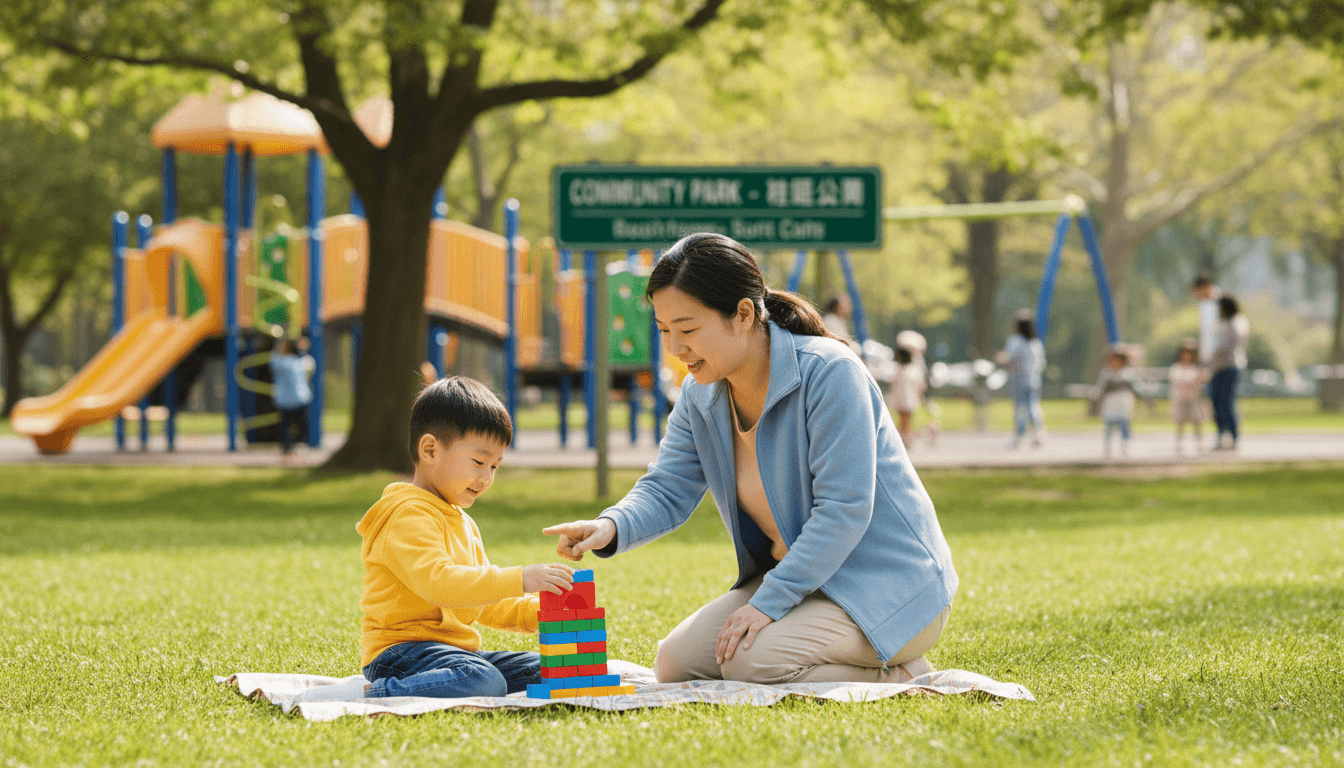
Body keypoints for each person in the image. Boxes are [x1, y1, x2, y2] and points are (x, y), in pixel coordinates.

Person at [543, 233, 957, 686]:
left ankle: (902, 675)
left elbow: (844, 510)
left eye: (687, 329)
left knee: (749, 662)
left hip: (889, 586)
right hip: (807, 583)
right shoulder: (699, 394)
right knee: (675, 664)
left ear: (742, 314)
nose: (675, 348)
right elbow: (667, 487)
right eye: (664, 330)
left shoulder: (830, 372)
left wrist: (766, 604)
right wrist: (610, 526)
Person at [294, 377, 576, 704]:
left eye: (495, 467)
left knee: (559, 668)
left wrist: (543, 613)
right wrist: (521, 579)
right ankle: (367, 694)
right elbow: (440, 584)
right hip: (401, 652)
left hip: (455, 654)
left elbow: (483, 601)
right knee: (482, 680)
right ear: (430, 450)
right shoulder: (407, 514)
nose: (486, 478)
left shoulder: (463, 521)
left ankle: (458, 680)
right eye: (479, 462)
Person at [1000, 310, 1046, 448]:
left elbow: (1010, 360)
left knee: (1020, 408)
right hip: (1034, 380)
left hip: (1019, 380)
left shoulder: (1015, 341)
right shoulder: (1036, 343)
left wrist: (1000, 359)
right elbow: (1041, 364)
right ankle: (1037, 433)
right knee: (1033, 405)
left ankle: (1019, 435)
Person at [1209, 294, 1250, 450]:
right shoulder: (1224, 323)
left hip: (1228, 367)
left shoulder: (1235, 323)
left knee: (1226, 403)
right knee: (1217, 403)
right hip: (1218, 367)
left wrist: (1209, 357)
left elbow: (1224, 347)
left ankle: (1232, 436)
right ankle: (1222, 435)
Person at [1092, 346, 1144, 459]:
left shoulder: (1128, 374)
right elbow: (1099, 389)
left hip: (1124, 405)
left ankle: (1124, 447)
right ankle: (1108, 447)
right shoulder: (1106, 374)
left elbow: (1137, 388)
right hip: (1110, 405)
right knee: (1109, 427)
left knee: (1124, 427)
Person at [268, 337, 314, 460]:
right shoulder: (299, 362)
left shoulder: (280, 362)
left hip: (287, 399)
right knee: (299, 426)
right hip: (298, 398)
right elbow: (309, 366)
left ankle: (289, 450)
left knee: (288, 427)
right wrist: (302, 350)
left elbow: (273, 359)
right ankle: (294, 449)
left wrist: (280, 347)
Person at [1191, 272, 1221, 430]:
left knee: (1220, 396)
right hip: (1208, 358)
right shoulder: (1203, 306)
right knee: (1212, 396)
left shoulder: (1220, 303)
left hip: (1219, 357)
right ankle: (1220, 430)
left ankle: (1225, 430)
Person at [1168, 341, 1209, 455]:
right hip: (1180, 400)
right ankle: (1179, 443)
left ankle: (1199, 443)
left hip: (1193, 400)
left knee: (1197, 422)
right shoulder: (1176, 368)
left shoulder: (1195, 369)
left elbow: (1202, 380)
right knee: (1180, 423)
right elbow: (1180, 381)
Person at [888, 346, 926, 446]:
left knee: (905, 420)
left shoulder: (906, 370)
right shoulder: (904, 370)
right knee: (904, 420)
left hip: (906, 398)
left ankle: (905, 438)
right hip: (904, 398)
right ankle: (904, 438)